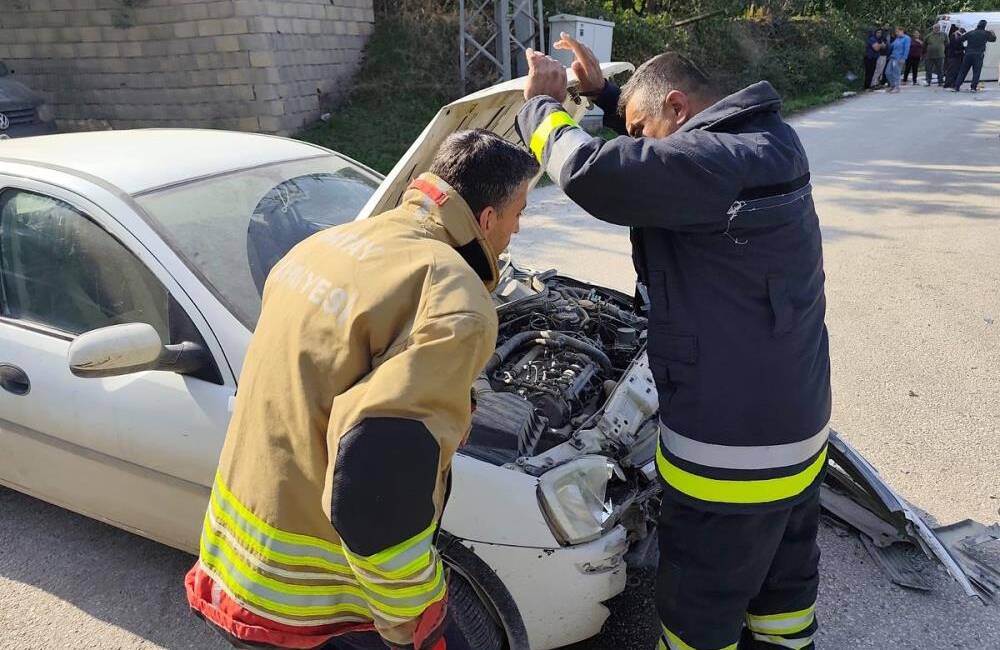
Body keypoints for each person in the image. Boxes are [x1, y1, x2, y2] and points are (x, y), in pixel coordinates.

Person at [518, 34, 831, 650]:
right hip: (794, 432)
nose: (635, 144)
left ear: (681, 109)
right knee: (782, 595)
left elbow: (593, 174)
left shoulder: (711, 164)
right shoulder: (765, 143)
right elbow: (663, 156)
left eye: (640, 129)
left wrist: (543, 109)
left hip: (731, 456)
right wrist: (609, 97)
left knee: (697, 615)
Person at [184, 130, 539, 650]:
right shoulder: (452, 296)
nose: (517, 228)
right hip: (314, 606)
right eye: (519, 213)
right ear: (486, 220)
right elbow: (374, 492)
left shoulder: (324, 246)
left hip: (235, 563)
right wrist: (416, 622)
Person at [954, 19, 998, 92]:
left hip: (968, 55)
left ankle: (957, 86)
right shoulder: (986, 33)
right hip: (978, 55)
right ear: (984, 26)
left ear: (978, 24)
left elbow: (959, 40)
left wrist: (956, 34)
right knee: (976, 72)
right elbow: (993, 39)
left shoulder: (971, 32)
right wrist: (993, 33)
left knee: (963, 71)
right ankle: (973, 88)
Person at [886, 26, 911, 92]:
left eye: (897, 32)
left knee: (896, 73)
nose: (896, 33)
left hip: (899, 58)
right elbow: (892, 46)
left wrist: (904, 58)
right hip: (892, 57)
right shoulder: (897, 38)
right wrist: (887, 42)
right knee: (887, 72)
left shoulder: (907, 38)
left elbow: (907, 49)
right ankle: (892, 85)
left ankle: (897, 88)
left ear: (902, 30)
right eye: (896, 32)